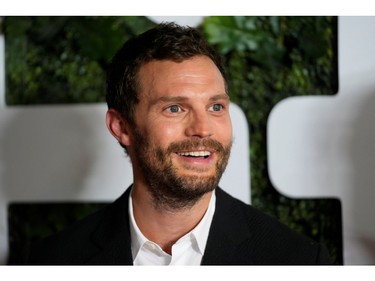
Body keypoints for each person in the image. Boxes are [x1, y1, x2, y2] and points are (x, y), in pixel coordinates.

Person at [25, 22, 331, 265]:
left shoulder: (297, 261)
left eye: (216, 107)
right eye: (175, 108)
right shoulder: (48, 263)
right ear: (121, 127)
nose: (203, 129)